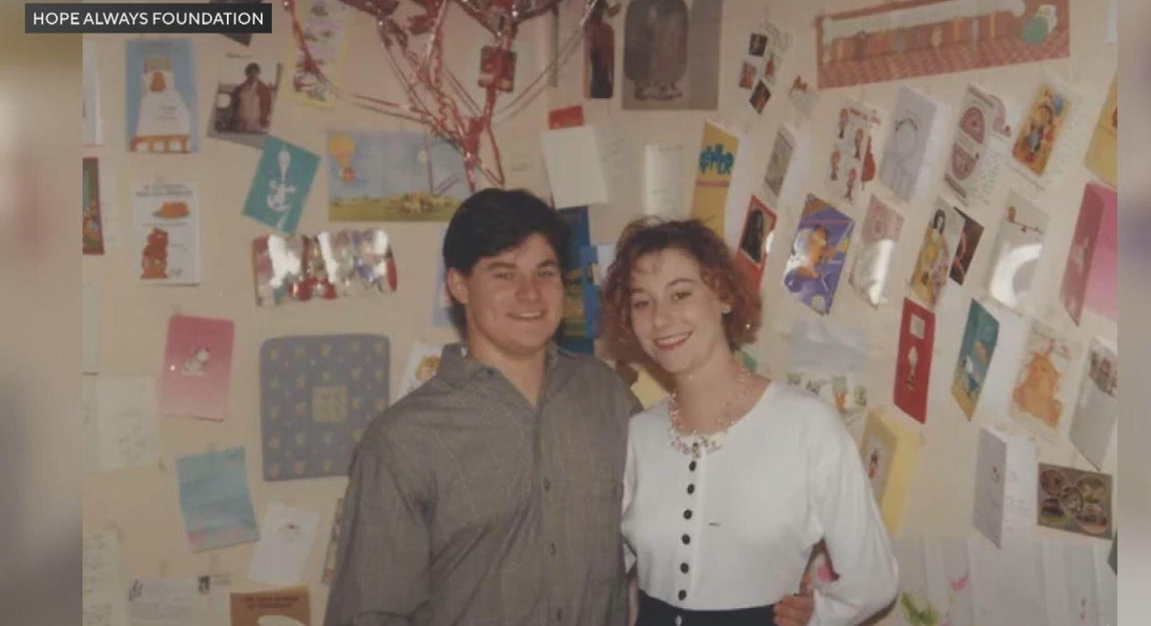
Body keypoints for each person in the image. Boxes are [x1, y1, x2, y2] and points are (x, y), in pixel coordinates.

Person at [325, 190, 815, 626]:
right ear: (459, 285)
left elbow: (692, 518)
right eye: (504, 273)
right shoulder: (402, 443)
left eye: (545, 272)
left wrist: (790, 598)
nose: (530, 294)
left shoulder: (609, 399)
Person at [601, 218, 898, 625]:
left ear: (723, 296)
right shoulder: (638, 435)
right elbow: (599, 569)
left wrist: (819, 616)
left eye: (680, 294)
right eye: (641, 302)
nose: (660, 319)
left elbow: (873, 582)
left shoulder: (807, 427)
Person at [228, 62, 272, 132]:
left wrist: (266, 121)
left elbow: (269, 108)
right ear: (246, 74)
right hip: (240, 124)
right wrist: (233, 120)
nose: (252, 76)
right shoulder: (239, 89)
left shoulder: (265, 90)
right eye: (250, 73)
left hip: (258, 125)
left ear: (258, 74)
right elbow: (233, 107)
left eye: (255, 73)